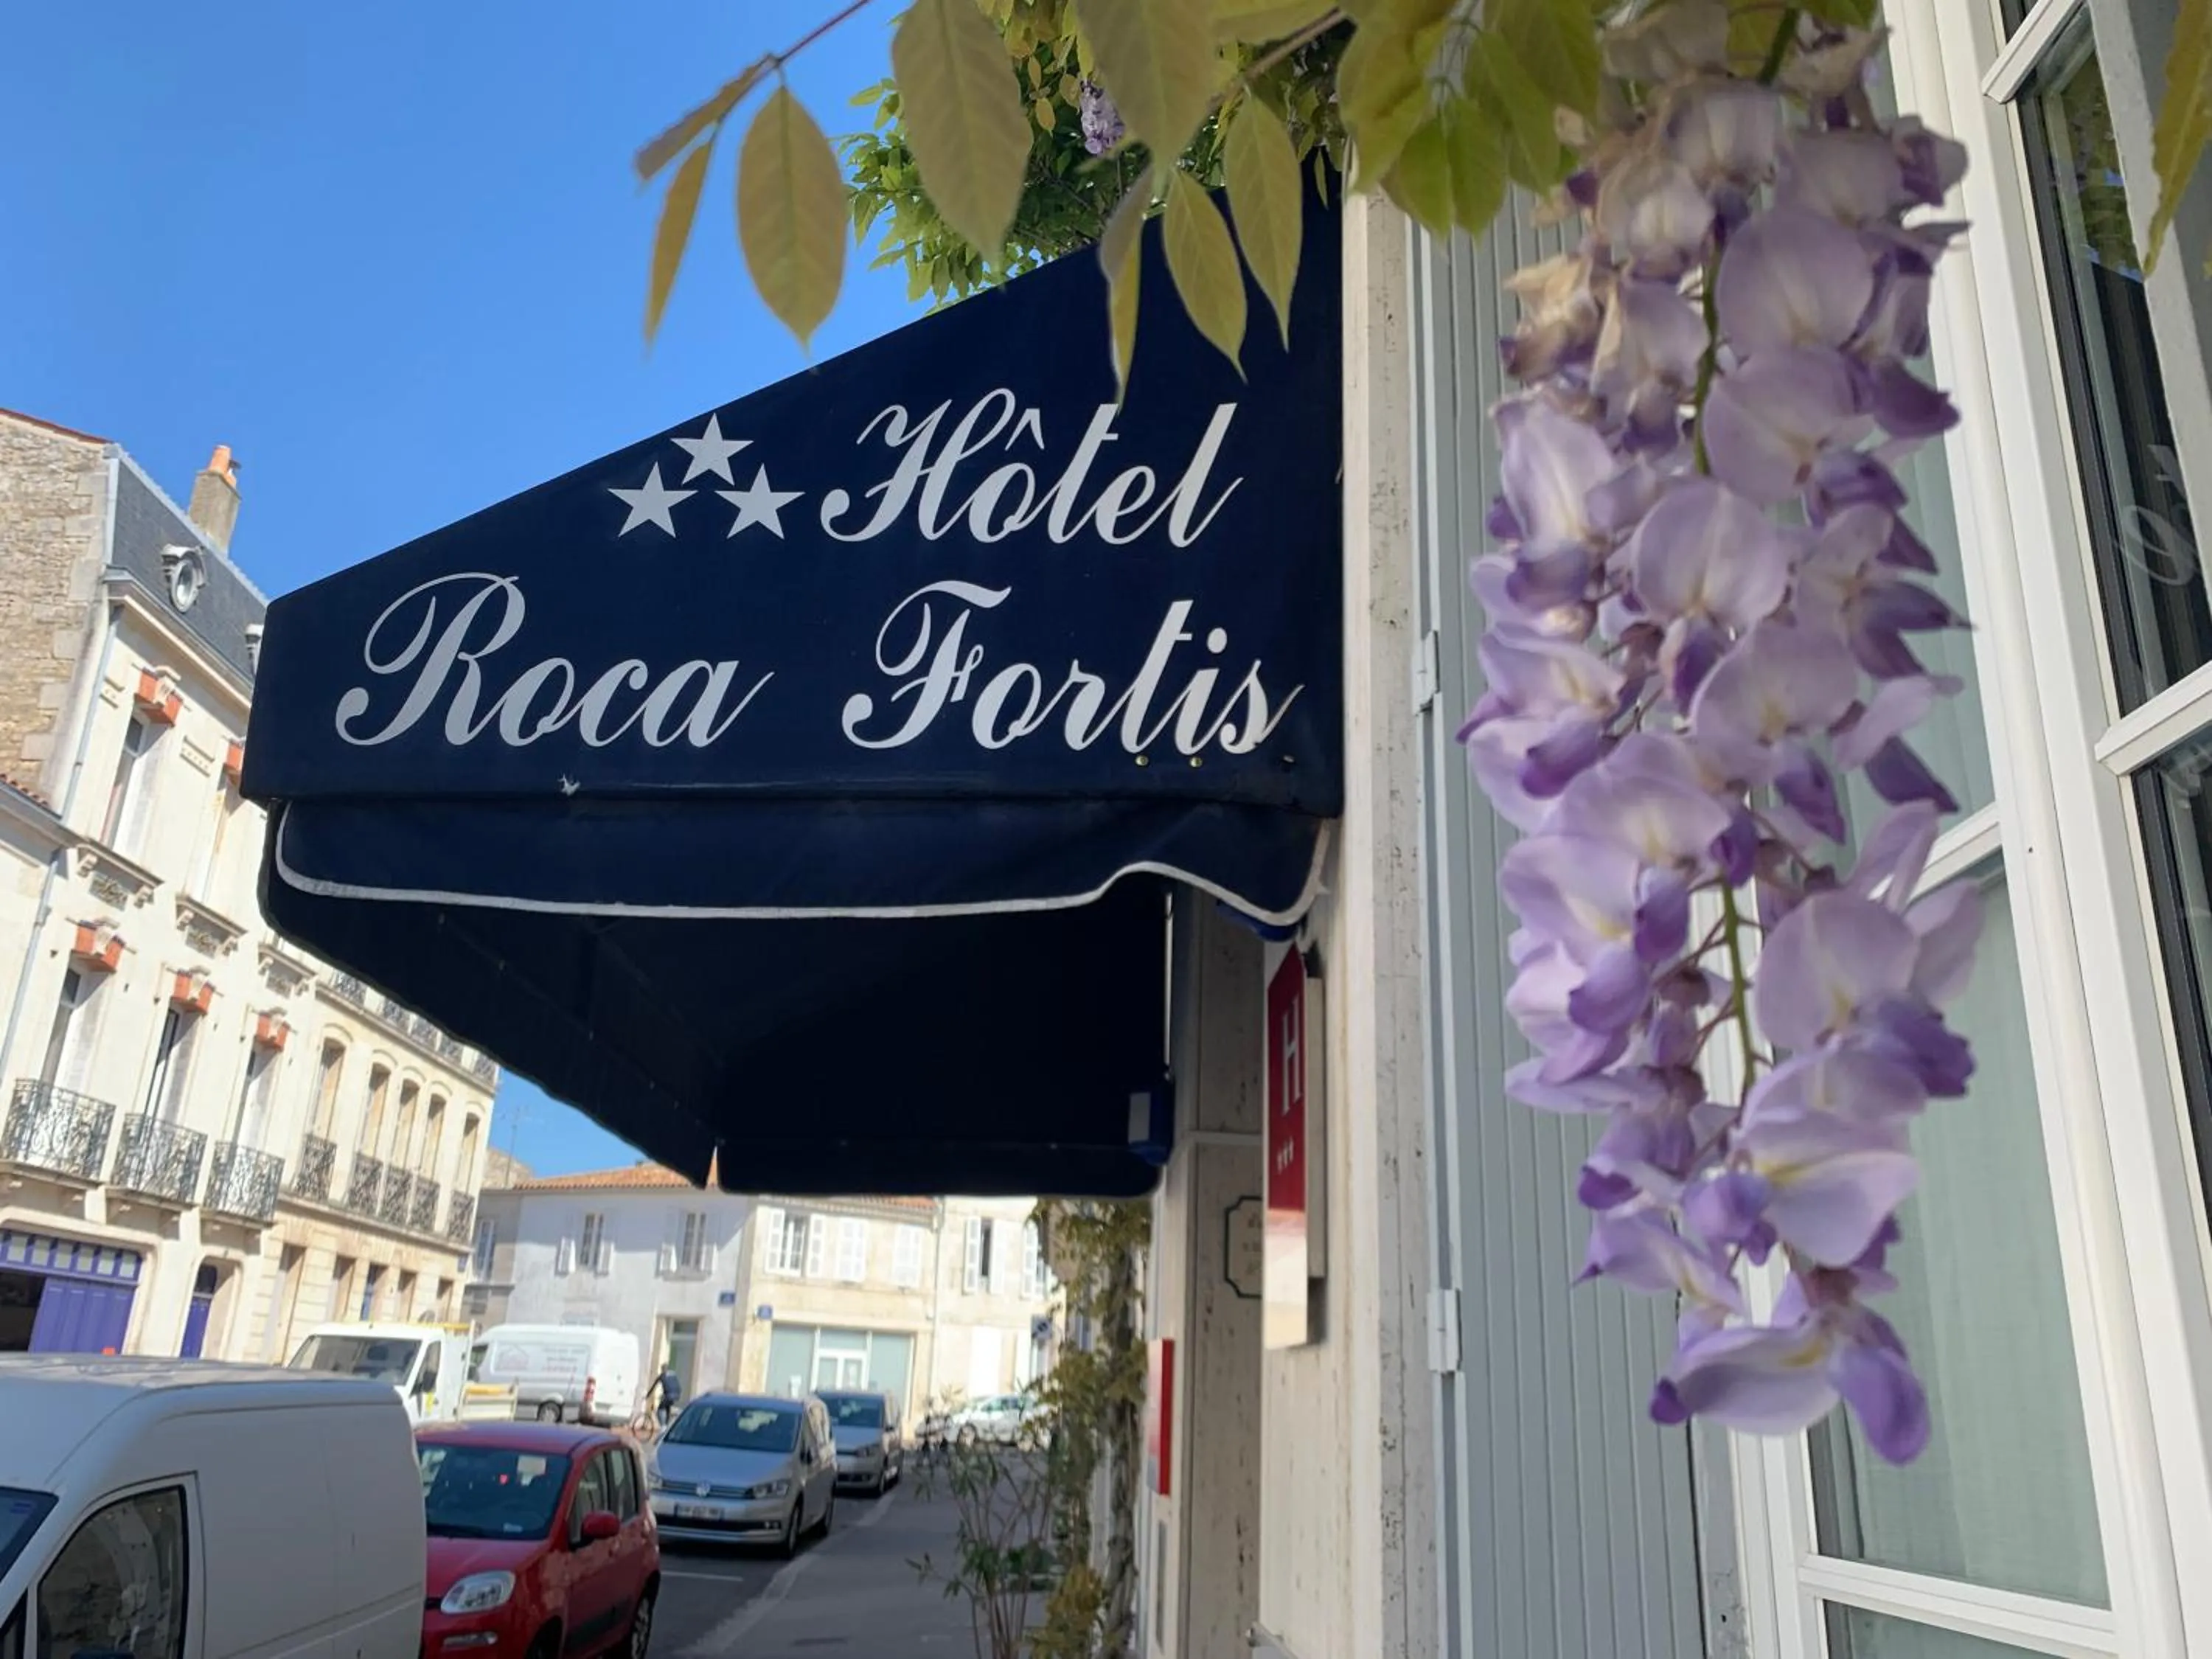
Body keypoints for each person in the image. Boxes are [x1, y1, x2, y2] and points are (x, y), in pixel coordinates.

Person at [656, 1363, 682, 1428]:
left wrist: (647, 1396)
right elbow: (675, 1386)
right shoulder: (674, 1375)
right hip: (677, 1395)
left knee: (660, 1409)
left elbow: (654, 1386)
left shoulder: (662, 1376)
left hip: (669, 1395)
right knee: (667, 1408)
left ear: (662, 1369)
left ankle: (663, 1427)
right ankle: (667, 1425)